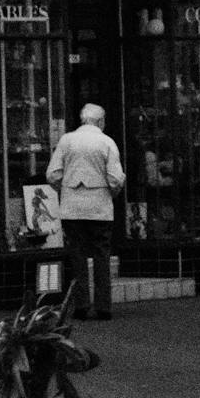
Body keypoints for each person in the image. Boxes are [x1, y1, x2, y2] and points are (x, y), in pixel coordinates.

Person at [46, 103, 125, 321]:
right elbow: (116, 178)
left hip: (71, 207)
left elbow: (52, 174)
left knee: (78, 255)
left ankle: (80, 305)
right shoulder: (106, 142)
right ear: (100, 121)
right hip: (100, 208)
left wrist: (66, 188)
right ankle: (103, 306)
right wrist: (111, 192)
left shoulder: (66, 140)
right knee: (101, 255)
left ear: (83, 120)